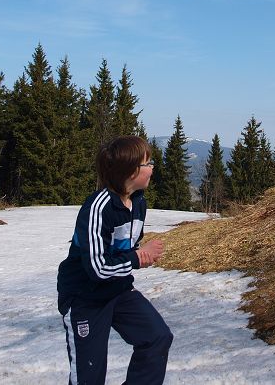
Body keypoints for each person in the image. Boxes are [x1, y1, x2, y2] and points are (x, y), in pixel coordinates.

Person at [57, 136, 172, 385]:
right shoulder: (98, 207)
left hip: (118, 289)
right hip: (84, 297)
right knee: (89, 376)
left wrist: (140, 254)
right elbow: (97, 267)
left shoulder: (138, 202)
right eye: (148, 163)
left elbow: (126, 247)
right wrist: (137, 257)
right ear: (131, 171)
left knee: (157, 337)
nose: (152, 168)